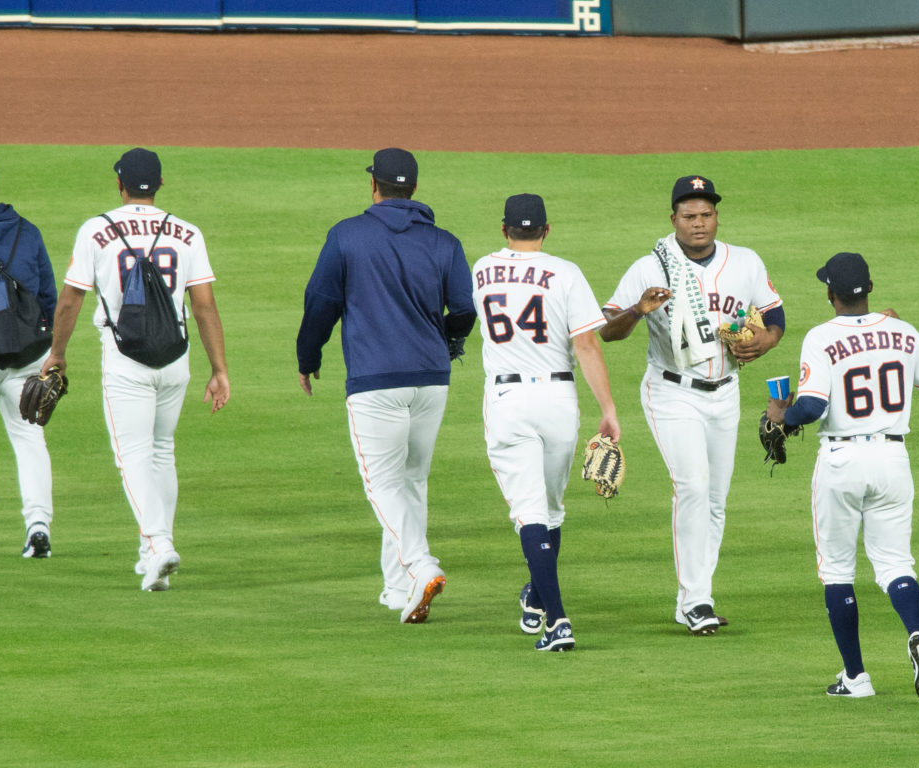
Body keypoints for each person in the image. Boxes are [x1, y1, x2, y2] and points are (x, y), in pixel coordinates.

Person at [599, 175, 785, 635]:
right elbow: (606, 330)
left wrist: (764, 342)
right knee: (694, 488)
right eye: (689, 216)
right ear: (673, 220)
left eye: (706, 215)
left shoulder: (744, 261)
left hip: (726, 391)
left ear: (716, 217)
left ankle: (696, 596)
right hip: (670, 391)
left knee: (716, 500)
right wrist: (638, 311)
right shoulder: (649, 268)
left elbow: (776, 317)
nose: (698, 224)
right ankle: (696, 600)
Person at [297, 148, 475, 624]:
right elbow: (464, 309)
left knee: (382, 485)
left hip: (376, 382)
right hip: (432, 380)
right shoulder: (445, 242)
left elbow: (320, 302)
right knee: (412, 481)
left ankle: (420, 566)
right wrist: (446, 341)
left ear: (373, 185)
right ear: (414, 189)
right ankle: (399, 589)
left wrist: (307, 357)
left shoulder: (347, 235)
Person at [44, 147, 230, 591]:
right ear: (160, 185)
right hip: (176, 356)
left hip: (125, 357)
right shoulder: (186, 232)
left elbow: (71, 299)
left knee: (132, 457)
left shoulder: (96, 230)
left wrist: (58, 353)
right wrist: (219, 369)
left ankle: (160, 543)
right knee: (162, 450)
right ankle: (152, 554)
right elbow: (204, 307)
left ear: (119, 184)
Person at [766, 252, 919, 702]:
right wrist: (900, 334)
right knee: (896, 564)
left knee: (838, 572)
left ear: (830, 294)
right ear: (870, 288)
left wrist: (779, 417)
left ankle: (856, 678)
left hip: (842, 461)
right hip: (893, 460)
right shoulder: (902, 331)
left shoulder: (822, 337)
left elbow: (812, 407)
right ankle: (918, 635)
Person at [472, 194, 619, 652]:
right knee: (551, 510)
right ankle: (538, 598)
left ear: (504, 230)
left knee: (531, 513)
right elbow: (587, 346)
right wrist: (609, 409)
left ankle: (557, 621)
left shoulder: (480, 270)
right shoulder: (566, 273)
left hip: (508, 398)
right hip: (558, 398)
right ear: (546, 230)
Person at [0, 155, 59, 558]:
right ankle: (37, 528)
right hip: (27, 353)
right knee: (30, 439)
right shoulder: (27, 232)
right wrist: (51, 352)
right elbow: (47, 296)